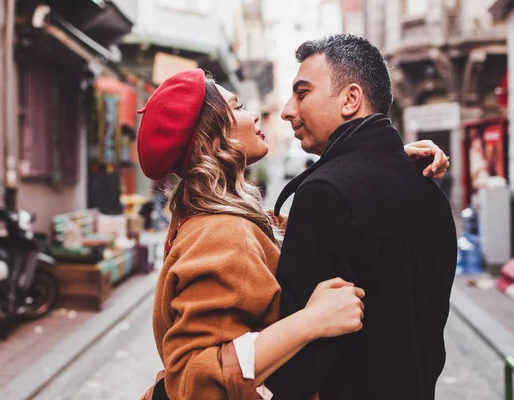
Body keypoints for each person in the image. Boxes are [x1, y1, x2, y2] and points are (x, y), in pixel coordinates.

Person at [137, 69, 450, 400]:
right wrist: (311, 321)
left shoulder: (217, 216)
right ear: (214, 133)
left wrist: (382, 160)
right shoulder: (223, 232)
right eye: (238, 106)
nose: (255, 113)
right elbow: (192, 381)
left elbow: (286, 230)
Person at [266, 35, 457, 400]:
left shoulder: (323, 195)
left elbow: (301, 365)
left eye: (302, 93)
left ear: (350, 99)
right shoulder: (428, 189)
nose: (288, 110)